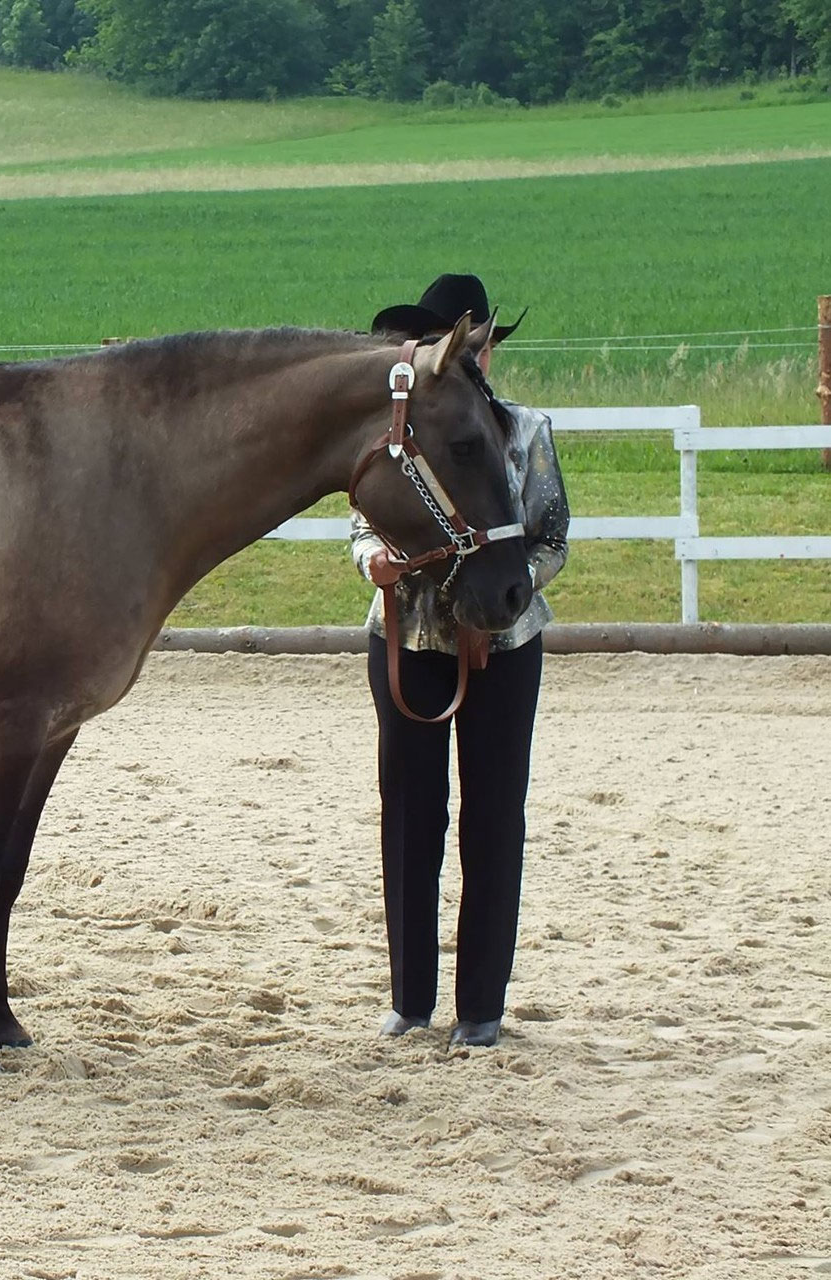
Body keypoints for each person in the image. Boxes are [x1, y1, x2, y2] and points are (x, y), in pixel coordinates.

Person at [352, 272, 569, 1050]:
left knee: (494, 816)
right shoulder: (397, 433)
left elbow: (550, 539)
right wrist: (372, 560)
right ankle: (410, 999)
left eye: (480, 348)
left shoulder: (528, 430)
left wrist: (504, 602)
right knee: (410, 815)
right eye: (461, 349)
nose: (474, 360)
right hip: (409, 640)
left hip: (506, 648)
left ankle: (481, 1005)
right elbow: (364, 528)